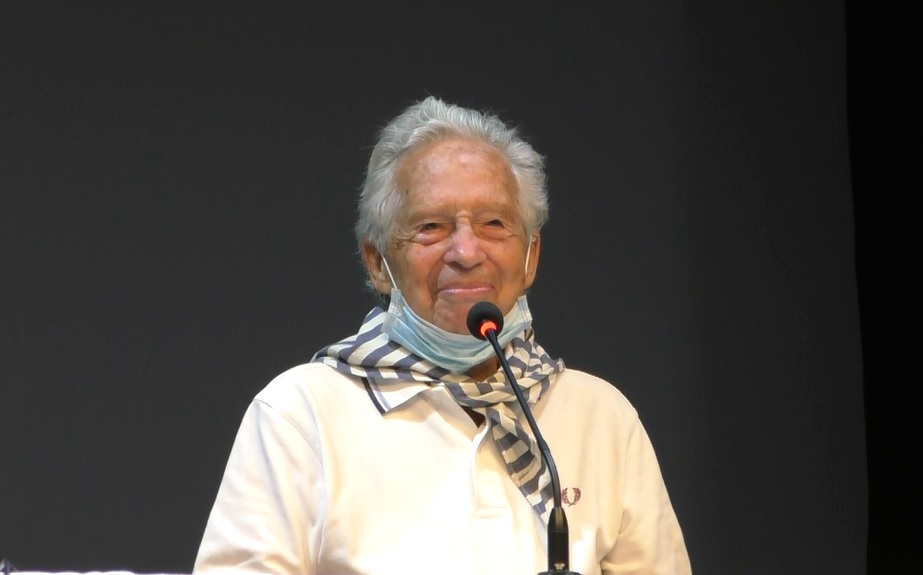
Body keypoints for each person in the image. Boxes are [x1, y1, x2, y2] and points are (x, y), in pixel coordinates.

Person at [193, 96, 691, 575]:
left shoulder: (602, 418)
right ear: (377, 262)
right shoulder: (300, 414)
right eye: (431, 226)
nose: (466, 252)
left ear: (531, 256)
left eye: (493, 223)